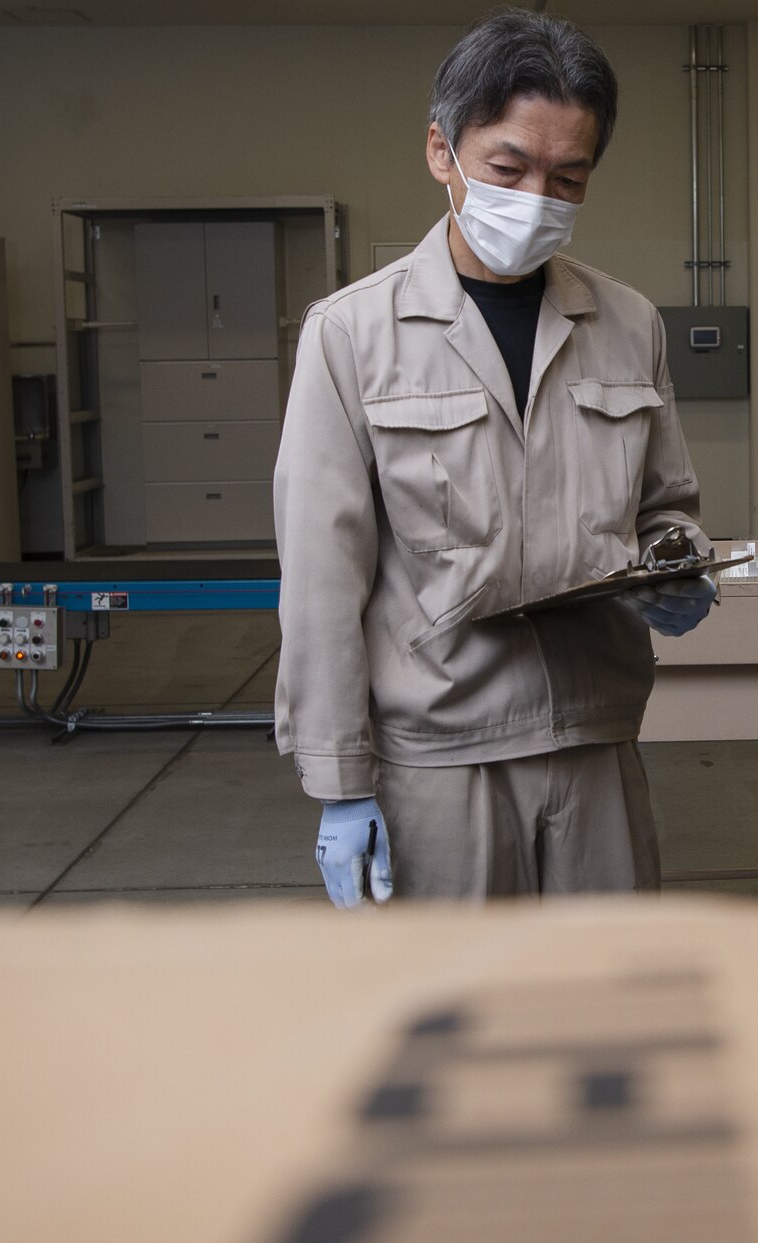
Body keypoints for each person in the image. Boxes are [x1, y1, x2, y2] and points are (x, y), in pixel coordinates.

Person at [273, 9, 716, 907]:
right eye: (509, 169)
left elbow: (666, 505)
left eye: (569, 178)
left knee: (605, 1004)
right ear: (443, 151)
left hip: (596, 741)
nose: (537, 199)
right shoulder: (353, 336)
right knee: (461, 1015)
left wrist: (678, 566)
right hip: (440, 762)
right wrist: (339, 781)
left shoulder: (627, 324)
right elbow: (323, 578)